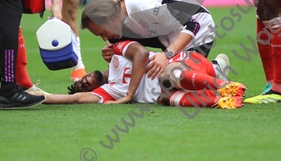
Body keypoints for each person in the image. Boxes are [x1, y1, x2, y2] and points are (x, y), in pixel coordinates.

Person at [34, 40, 245, 109]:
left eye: (81, 80)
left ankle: (221, 83)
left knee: (166, 76)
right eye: (84, 86)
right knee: (165, 97)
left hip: (187, 64)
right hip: (181, 88)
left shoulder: (116, 52)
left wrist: (130, 94)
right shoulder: (109, 91)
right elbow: (74, 98)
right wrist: (39, 96)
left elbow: (141, 52)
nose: (84, 82)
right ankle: (220, 99)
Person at [80, 0, 222, 81]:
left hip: (199, 28)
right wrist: (112, 48)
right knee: (117, 40)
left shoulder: (146, 7)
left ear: (111, 18)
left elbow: (193, 25)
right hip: (165, 30)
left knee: (176, 79)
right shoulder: (117, 10)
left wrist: (167, 55)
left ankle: (215, 70)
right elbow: (113, 38)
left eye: (103, 33)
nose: (105, 38)